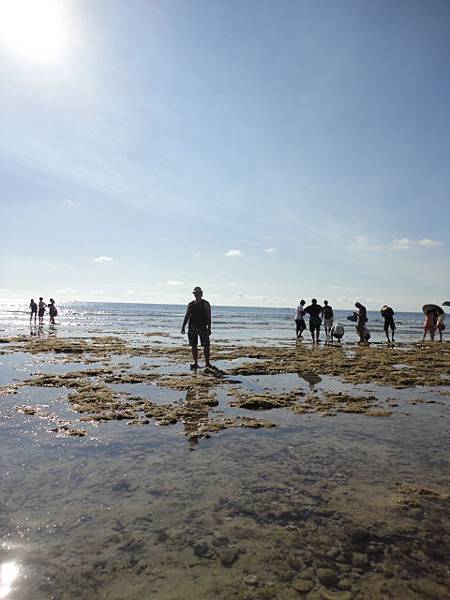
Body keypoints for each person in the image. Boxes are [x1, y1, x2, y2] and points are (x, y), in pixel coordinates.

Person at [181, 286, 213, 370]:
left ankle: (207, 363)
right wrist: (183, 327)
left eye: (198, 293)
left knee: (206, 345)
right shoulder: (191, 304)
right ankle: (195, 362)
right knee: (193, 346)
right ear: (194, 294)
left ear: (201, 294)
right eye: (195, 293)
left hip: (203, 327)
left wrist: (209, 328)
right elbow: (187, 315)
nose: (197, 294)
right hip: (192, 327)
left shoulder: (206, 303)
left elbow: (209, 316)